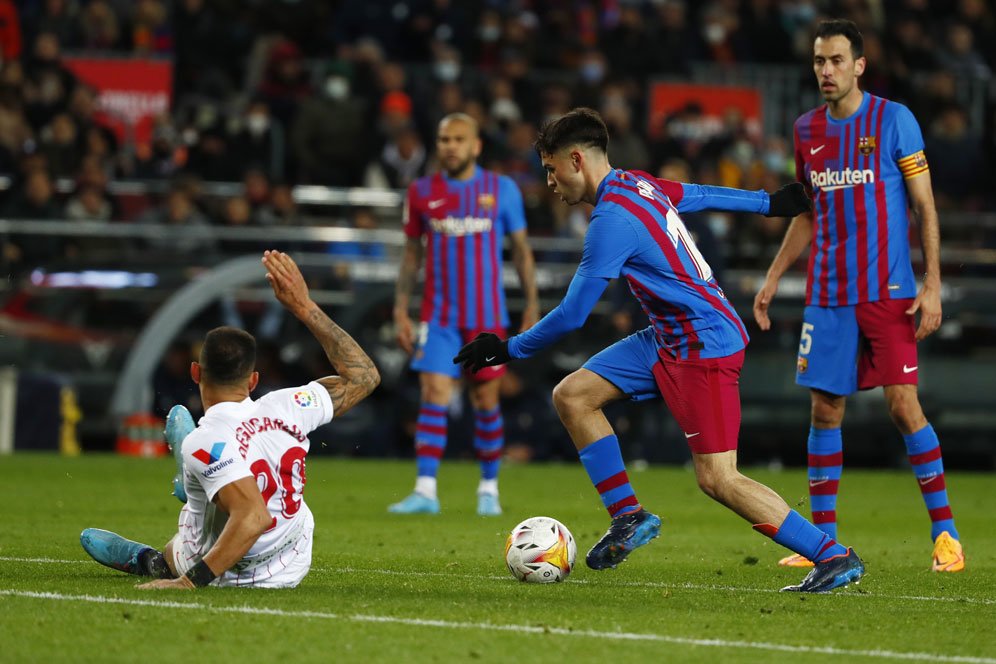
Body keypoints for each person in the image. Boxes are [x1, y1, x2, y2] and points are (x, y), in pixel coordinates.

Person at [455, 107, 863, 593]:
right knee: (573, 395)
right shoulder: (636, 183)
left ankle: (832, 555)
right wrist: (766, 203)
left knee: (718, 478)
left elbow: (572, 314)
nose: (548, 181)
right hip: (669, 336)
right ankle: (629, 516)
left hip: (702, 345)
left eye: (551, 168)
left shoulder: (611, 221)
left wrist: (507, 349)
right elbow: (696, 194)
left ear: (577, 161)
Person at [752, 19, 964, 573]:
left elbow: (925, 206)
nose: (826, 70)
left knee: (902, 405)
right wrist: (774, 277)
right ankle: (823, 543)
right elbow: (806, 211)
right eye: (820, 61)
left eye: (837, 60)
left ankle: (946, 535)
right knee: (825, 410)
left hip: (889, 292)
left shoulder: (894, 119)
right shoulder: (806, 131)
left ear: (859, 65)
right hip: (827, 294)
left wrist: (933, 281)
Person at [79, 250, 380, 589]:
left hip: (234, 570)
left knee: (190, 535)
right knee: (220, 482)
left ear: (196, 372)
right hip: (290, 559)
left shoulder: (206, 440)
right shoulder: (289, 404)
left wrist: (188, 583)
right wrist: (304, 306)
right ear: (252, 380)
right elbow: (364, 377)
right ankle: (198, 484)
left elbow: (253, 517)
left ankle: (152, 559)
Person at [390, 112, 540, 517]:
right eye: (443, 139)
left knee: (485, 399)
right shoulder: (421, 192)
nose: (450, 146)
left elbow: (522, 252)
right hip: (438, 316)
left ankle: (488, 488)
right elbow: (410, 255)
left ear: (475, 146)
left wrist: (531, 303)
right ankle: (425, 490)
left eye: (458, 139)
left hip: (486, 318)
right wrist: (400, 309)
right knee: (434, 394)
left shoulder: (502, 190)